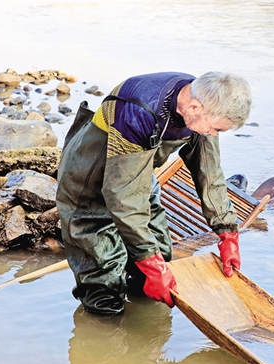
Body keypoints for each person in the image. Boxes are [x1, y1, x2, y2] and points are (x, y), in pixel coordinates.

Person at [56, 71, 252, 315]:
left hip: (137, 171)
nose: (214, 134)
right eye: (217, 129)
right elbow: (123, 197)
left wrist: (227, 231)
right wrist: (150, 263)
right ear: (194, 108)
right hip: (89, 177)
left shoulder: (203, 107)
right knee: (103, 284)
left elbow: (209, 173)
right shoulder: (138, 110)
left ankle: (145, 322)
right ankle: (104, 327)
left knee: (160, 258)